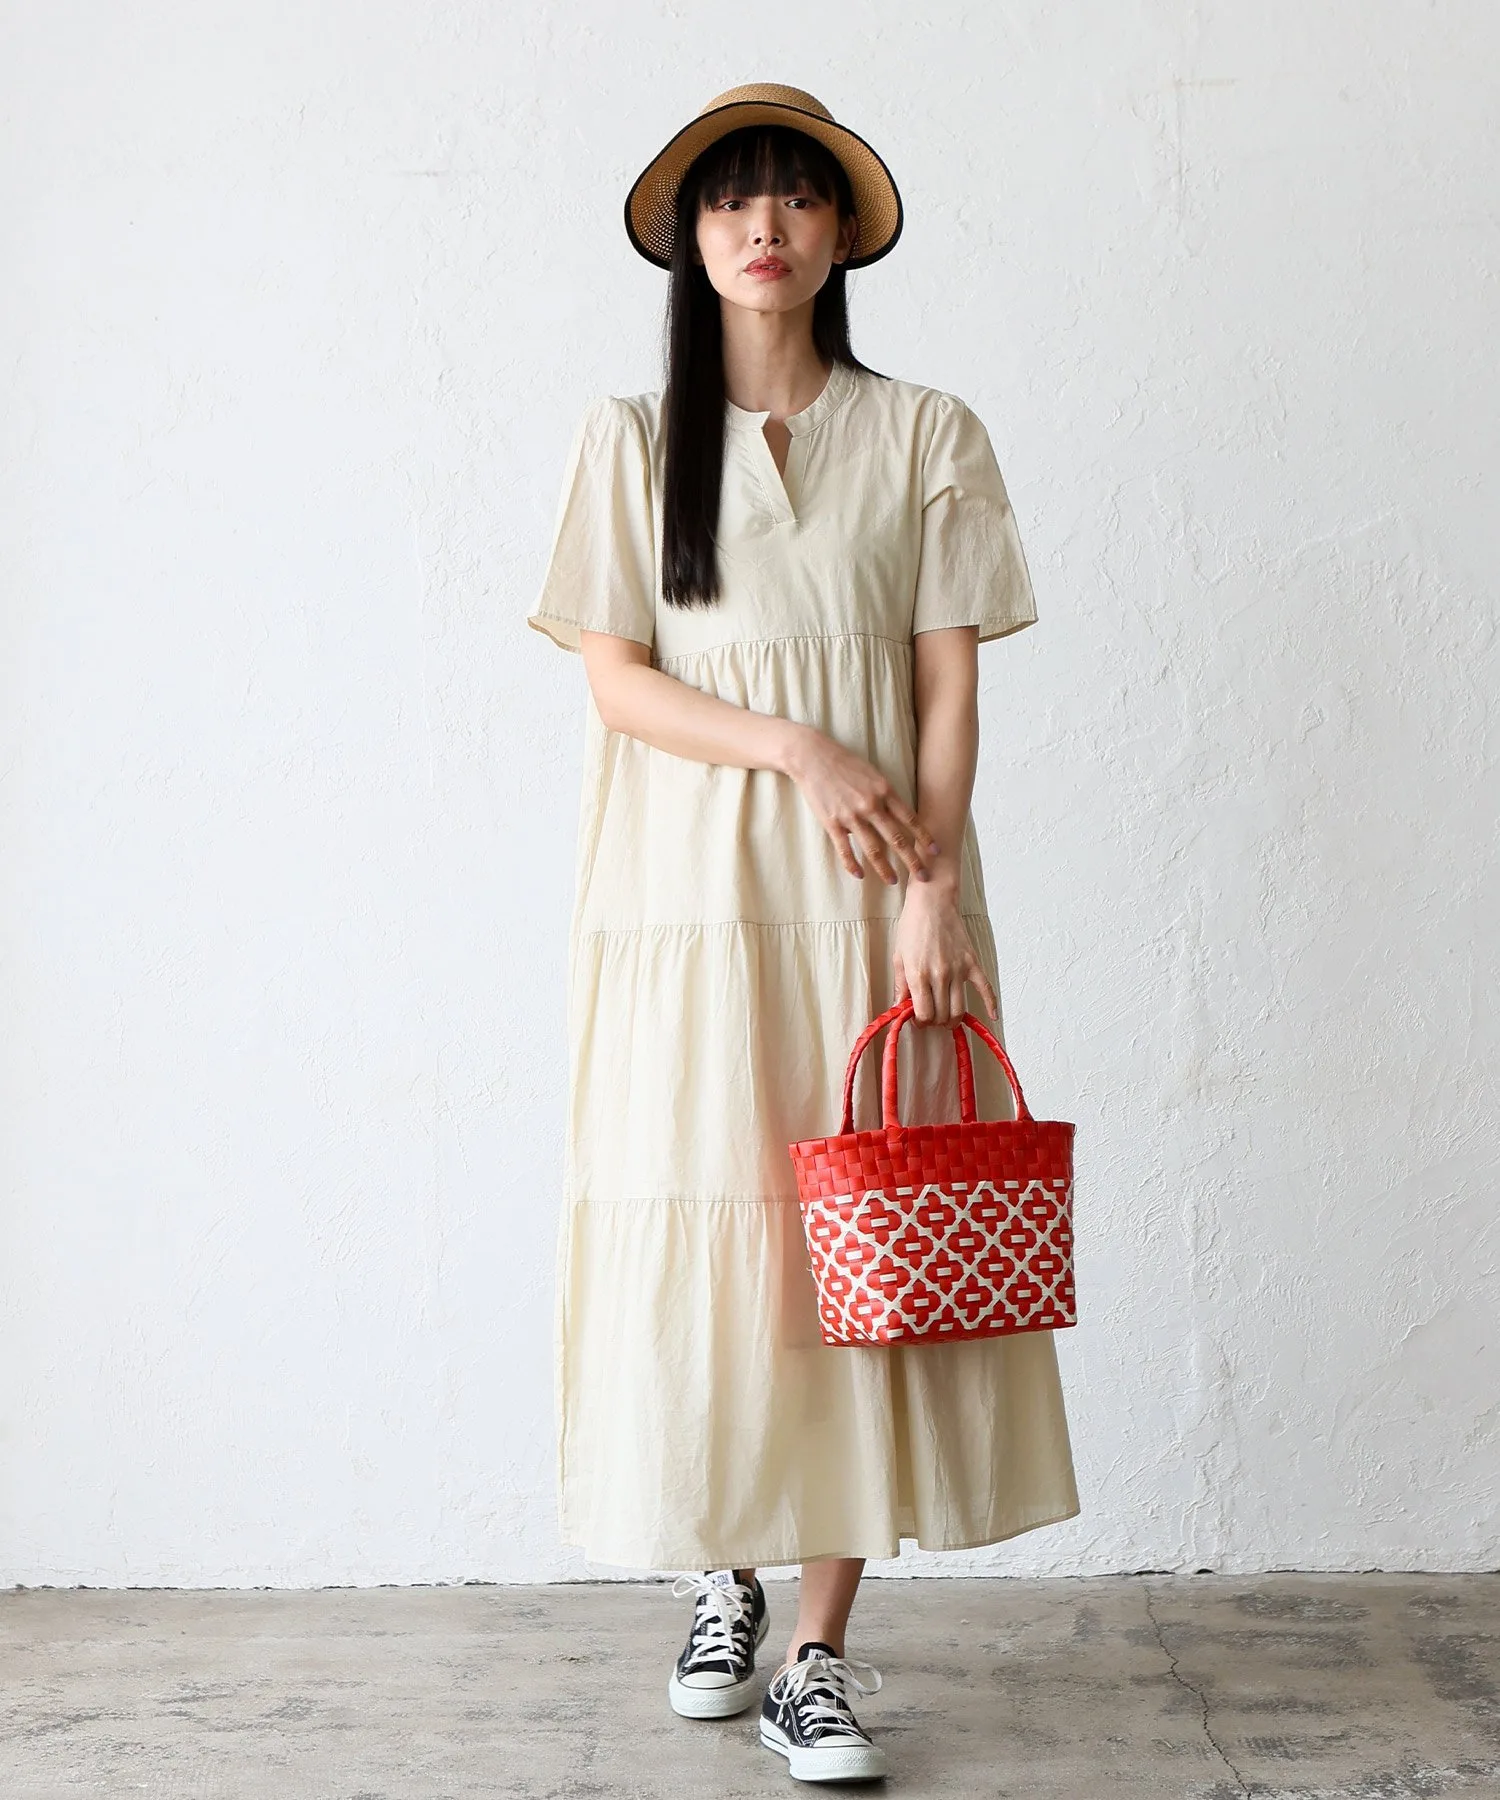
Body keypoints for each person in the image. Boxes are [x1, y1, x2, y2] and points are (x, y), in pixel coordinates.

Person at [526, 81, 1079, 1785]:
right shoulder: (631, 441)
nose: (762, 226)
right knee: (723, 1230)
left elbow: (947, 688)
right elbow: (618, 682)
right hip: (686, 904)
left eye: (796, 198)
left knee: (870, 1242)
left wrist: (933, 890)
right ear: (690, 241)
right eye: (729, 200)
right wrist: (793, 744)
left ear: (841, 236)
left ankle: (817, 1657)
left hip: (873, 896)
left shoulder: (926, 435)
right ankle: (725, 1570)